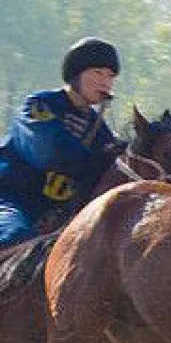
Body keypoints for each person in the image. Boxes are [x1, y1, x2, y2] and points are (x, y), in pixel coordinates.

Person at [0, 38, 124, 248]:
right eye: (97, 73)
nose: (105, 82)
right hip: (11, 201)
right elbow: (50, 152)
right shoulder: (39, 105)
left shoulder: (101, 131)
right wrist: (98, 159)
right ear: (76, 74)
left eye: (111, 76)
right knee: (15, 237)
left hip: (58, 214)